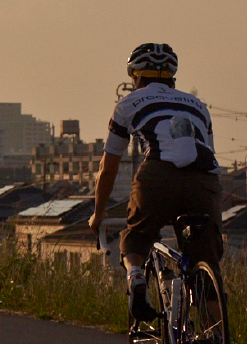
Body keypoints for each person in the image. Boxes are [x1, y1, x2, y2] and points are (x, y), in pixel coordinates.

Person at [88, 44, 224, 324]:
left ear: (135, 77)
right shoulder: (199, 106)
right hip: (204, 180)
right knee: (205, 261)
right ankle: (216, 340)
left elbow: (108, 168)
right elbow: (207, 153)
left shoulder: (128, 103)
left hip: (157, 175)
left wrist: (98, 213)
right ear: (172, 77)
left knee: (137, 235)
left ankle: (136, 276)